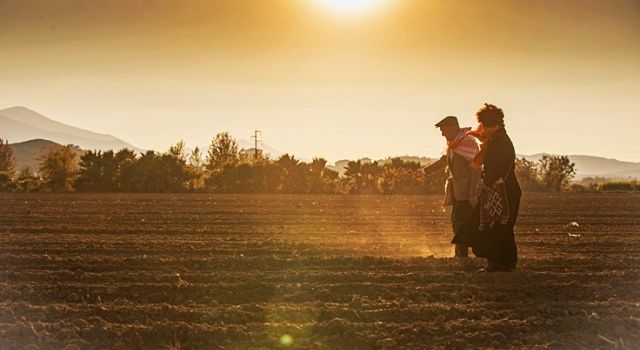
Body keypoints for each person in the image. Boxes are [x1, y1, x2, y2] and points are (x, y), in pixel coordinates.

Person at [452, 103, 521, 272]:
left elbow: (499, 167)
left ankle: (499, 263)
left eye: (485, 126)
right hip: (501, 189)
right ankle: (501, 263)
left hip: (501, 189)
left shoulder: (500, 141)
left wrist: (487, 183)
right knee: (496, 226)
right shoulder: (497, 139)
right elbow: (480, 163)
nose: (482, 129)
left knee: (496, 226)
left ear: (494, 125)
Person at [422, 116, 481, 257]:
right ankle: (463, 254)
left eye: (443, 130)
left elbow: (476, 168)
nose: (442, 133)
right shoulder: (454, 144)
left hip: (467, 193)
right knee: (457, 222)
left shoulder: (468, 143)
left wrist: (472, 193)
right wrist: (424, 171)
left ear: (453, 128)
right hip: (457, 192)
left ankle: (463, 255)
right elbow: (444, 162)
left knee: (461, 223)